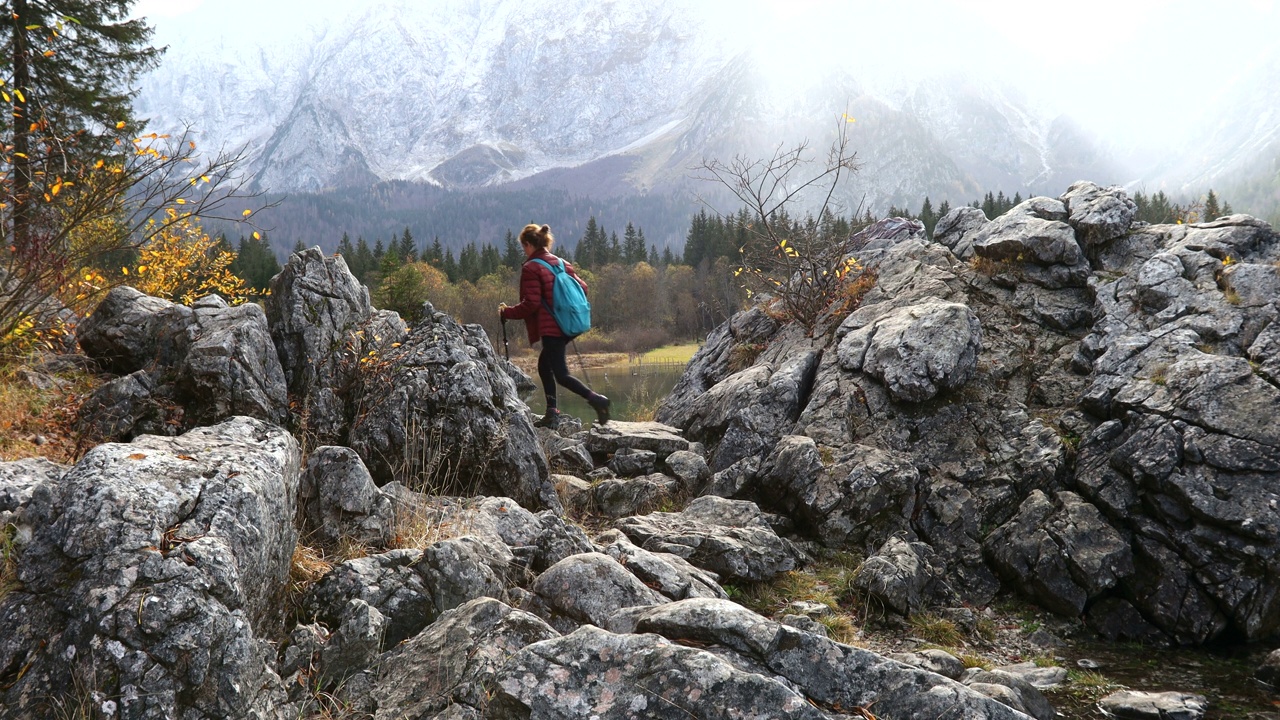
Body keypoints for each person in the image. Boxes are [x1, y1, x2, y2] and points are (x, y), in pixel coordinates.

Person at [499, 223, 610, 428]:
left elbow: (530, 304)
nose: (523, 250)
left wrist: (507, 312)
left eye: (523, 246)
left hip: (552, 328)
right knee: (544, 365)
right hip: (568, 325)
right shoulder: (561, 263)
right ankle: (552, 412)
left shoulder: (531, 267)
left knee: (561, 375)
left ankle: (596, 399)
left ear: (529, 244)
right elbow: (583, 288)